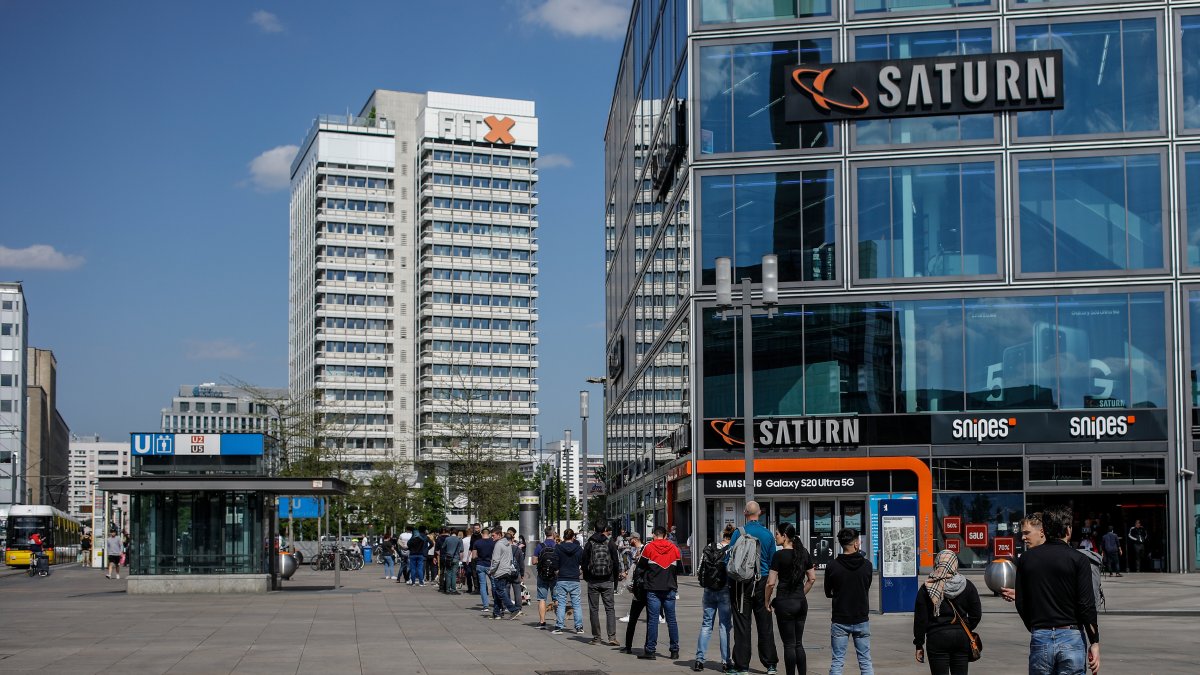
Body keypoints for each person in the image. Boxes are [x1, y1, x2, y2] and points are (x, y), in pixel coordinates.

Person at [1014, 504, 1100, 675]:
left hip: (1041, 634)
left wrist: (1035, 626)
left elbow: (1021, 602)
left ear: (1044, 530)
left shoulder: (1026, 559)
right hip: (1071, 635)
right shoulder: (1078, 559)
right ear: (1068, 530)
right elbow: (1086, 605)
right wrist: (1094, 641)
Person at [727, 501, 779, 675]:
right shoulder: (767, 534)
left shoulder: (738, 533)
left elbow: (731, 559)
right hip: (762, 581)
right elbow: (773, 562)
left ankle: (742, 666)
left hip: (741, 584)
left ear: (745, 513)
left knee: (742, 624)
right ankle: (770, 664)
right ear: (760, 513)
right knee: (765, 624)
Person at [914, 550, 982, 675]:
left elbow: (920, 620)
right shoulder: (967, 585)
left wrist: (919, 644)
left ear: (937, 563)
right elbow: (976, 614)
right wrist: (964, 627)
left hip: (937, 637)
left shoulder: (927, 587)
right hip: (961, 637)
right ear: (955, 564)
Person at [765, 523, 816, 675]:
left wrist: (766, 601)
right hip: (800, 602)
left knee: (789, 644)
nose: (775, 537)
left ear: (785, 536)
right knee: (798, 643)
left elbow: (771, 583)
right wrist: (800, 594)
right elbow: (812, 578)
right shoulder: (803, 552)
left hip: (784, 603)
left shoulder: (778, 556)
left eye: (777, 534)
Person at [824, 528, 873, 675]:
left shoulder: (832, 566)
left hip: (840, 618)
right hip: (861, 617)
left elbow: (828, 592)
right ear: (856, 544)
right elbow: (867, 586)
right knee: (865, 661)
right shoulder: (867, 565)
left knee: (837, 661)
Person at [637, 525, 682, 661]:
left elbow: (640, 567)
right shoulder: (674, 548)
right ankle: (674, 651)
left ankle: (650, 651)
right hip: (670, 587)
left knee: (653, 620)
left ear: (653, 535)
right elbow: (679, 569)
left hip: (653, 588)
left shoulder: (649, 548)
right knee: (671, 620)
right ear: (666, 535)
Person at [693, 529, 733, 672]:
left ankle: (699, 660)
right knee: (724, 626)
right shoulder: (731, 550)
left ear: (723, 536)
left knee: (706, 624)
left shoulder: (710, 547)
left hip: (709, 590)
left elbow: (700, 570)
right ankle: (726, 661)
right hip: (725, 590)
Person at [583, 520, 623, 646]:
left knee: (594, 609)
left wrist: (587, 577)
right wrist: (615, 581)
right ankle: (612, 637)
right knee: (610, 609)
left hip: (593, 581)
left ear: (594, 529)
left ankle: (596, 638)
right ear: (605, 529)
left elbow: (584, 562)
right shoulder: (610, 543)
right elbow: (616, 563)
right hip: (607, 580)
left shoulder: (589, 543)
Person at [551, 528, 585, 635]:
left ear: (564, 537)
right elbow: (584, 562)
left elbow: (554, 562)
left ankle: (559, 626)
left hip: (562, 578)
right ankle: (579, 627)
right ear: (573, 537)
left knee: (561, 603)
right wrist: (579, 572)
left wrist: (557, 571)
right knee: (576, 604)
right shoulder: (578, 548)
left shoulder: (558, 548)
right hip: (574, 578)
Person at [487, 528, 523, 620]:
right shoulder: (507, 544)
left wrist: (491, 570)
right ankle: (497, 613)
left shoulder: (498, 544)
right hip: (506, 571)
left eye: (493, 535)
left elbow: (495, 560)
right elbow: (510, 558)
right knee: (498, 592)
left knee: (500, 592)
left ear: (499, 535)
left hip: (500, 572)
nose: (492, 537)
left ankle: (513, 609)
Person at [533, 528, 559, 629]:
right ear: (553, 534)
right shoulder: (557, 546)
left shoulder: (540, 546)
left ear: (545, 534)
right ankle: (559, 622)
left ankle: (542, 622)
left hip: (542, 575)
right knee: (556, 599)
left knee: (542, 599)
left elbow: (534, 561)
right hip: (555, 576)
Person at [619, 534, 645, 635]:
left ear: (636, 539)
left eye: (631, 539)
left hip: (639, 580)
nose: (629, 541)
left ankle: (631, 615)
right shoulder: (635, 549)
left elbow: (639, 565)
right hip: (635, 578)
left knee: (637, 599)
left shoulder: (642, 549)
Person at [472, 526, 496, 611]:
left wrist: (478, 557)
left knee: (482, 585)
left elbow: (474, 556)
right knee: (494, 584)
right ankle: (497, 603)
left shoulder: (477, 542)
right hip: (490, 565)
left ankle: (485, 606)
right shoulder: (493, 542)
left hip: (480, 565)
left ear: (482, 534)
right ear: (489, 534)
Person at [441, 529, 463, 594]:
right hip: (456, 558)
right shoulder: (459, 539)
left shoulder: (447, 539)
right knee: (454, 574)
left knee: (448, 573)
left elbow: (443, 547)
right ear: (457, 533)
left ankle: (447, 589)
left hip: (448, 558)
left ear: (451, 532)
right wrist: (461, 559)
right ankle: (453, 589)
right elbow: (461, 550)